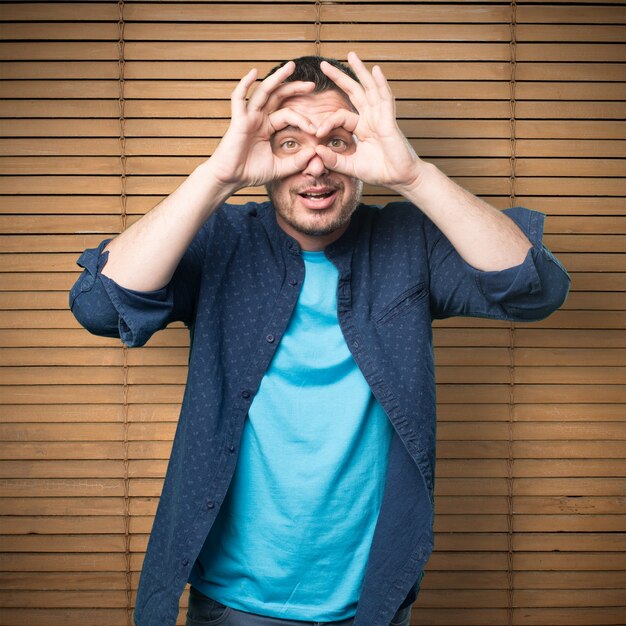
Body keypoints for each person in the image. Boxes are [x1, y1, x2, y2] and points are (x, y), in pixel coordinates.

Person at [70, 52, 570, 626]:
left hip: (370, 602)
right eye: (290, 142)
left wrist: (413, 175)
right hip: (232, 602)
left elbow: (535, 290)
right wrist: (218, 176)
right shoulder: (219, 238)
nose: (315, 165)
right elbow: (99, 307)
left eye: (339, 139)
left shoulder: (411, 242)